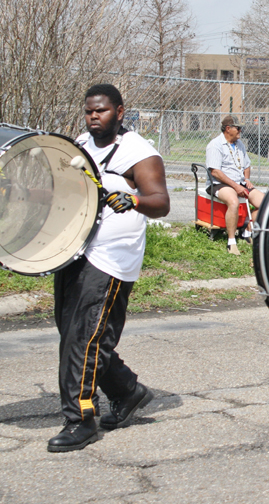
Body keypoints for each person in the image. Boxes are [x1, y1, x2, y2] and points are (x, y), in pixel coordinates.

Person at [48, 84, 170, 453]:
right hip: (74, 248)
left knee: (85, 338)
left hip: (112, 258)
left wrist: (132, 199)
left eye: (100, 111)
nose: (93, 117)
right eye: (88, 111)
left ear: (119, 111)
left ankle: (80, 419)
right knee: (73, 331)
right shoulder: (81, 145)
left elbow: (160, 202)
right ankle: (127, 391)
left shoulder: (139, 153)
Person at [205, 115, 266, 255]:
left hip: (239, 182)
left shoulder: (239, 144)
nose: (240, 131)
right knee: (233, 201)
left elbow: (247, 164)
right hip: (219, 183)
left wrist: (246, 179)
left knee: (266, 202)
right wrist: (236, 186)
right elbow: (215, 172)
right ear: (228, 129)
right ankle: (231, 242)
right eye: (238, 128)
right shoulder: (215, 145)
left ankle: (247, 229)